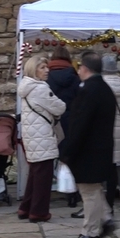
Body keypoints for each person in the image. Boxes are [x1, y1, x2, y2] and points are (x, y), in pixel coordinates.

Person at [61, 52, 118, 238]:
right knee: (94, 189)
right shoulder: (104, 89)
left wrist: (68, 150)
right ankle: (106, 217)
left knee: (89, 192)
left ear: (84, 69)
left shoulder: (89, 91)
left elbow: (80, 124)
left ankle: (90, 232)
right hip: (101, 148)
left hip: (88, 150)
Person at [17, 56, 66, 223]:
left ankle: (26, 207)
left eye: (47, 67)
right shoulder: (40, 89)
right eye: (43, 67)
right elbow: (60, 106)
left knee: (35, 174)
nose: (47, 70)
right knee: (43, 176)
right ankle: (38, 211)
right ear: (34, 70)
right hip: (42, 135)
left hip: (32, 135)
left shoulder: (26, 87)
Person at [45, 45, 81, 208]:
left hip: (52, 122)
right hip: (72, 120)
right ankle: (73, 194)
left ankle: (46, 192)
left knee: (49, 158)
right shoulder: (74, 76)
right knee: (71, 158)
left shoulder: (47, 77)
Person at [101, 55, 120, 210]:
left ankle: (104, 197)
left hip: (104, 128)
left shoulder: (101, 85)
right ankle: (118, 194)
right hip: (118, 128)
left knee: (102, 165)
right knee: (116, 165)